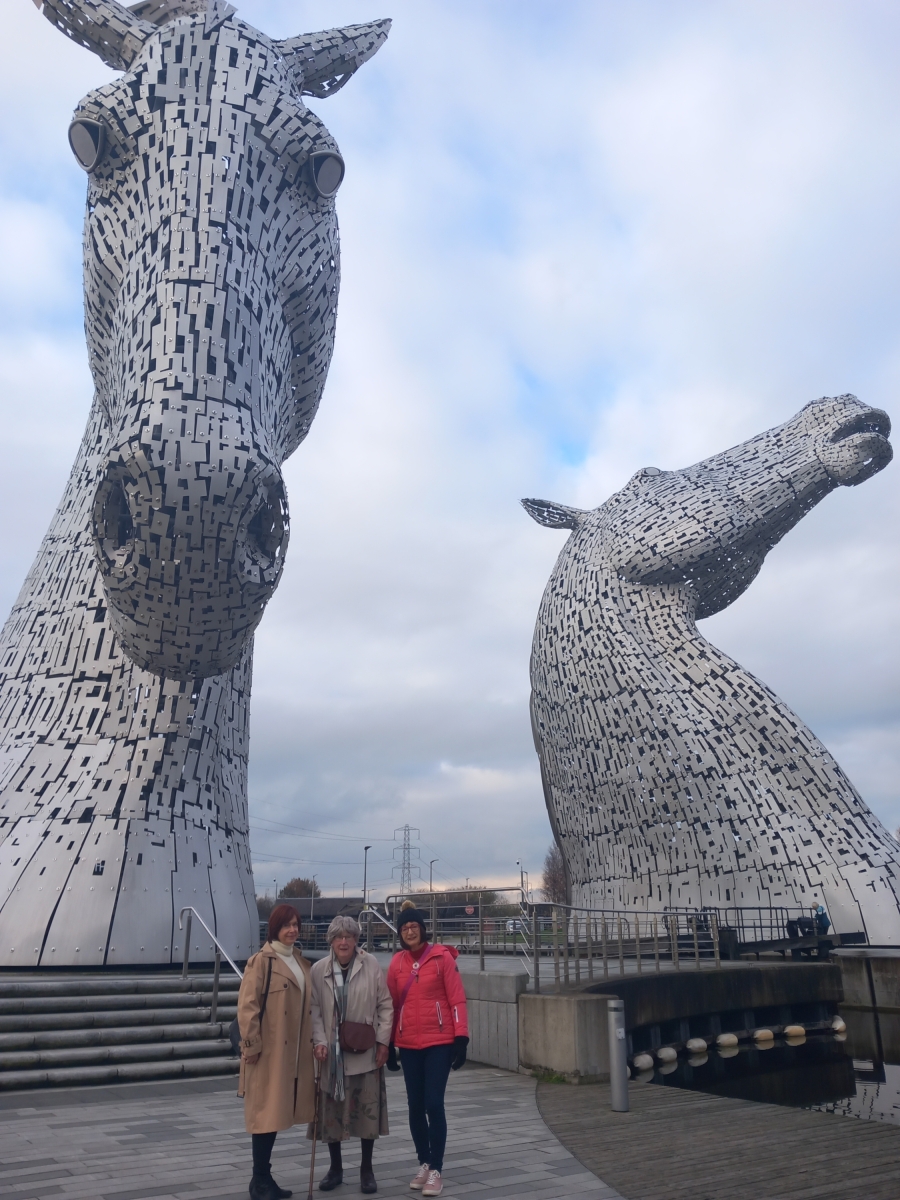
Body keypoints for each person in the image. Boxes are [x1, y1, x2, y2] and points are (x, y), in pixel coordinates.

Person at [386, 901, 468, 1198]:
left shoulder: (442, 958)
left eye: (414, 926)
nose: (410, 931)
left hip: (440, 1043)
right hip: (408, 1045)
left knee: (434, 1103)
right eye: (404, 928)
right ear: (400, 933)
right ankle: (424, 1159)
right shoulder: (396, 964)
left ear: (423, 929)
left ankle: (436, 1168)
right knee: (415, 1105)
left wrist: (462, 1038)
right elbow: (392, 1006)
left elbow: (457, 999)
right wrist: (388, 1045)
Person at [309, 915, 393, 1194]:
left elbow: (385, 1005)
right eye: (338, 936)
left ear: (356, 939)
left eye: (349, 936)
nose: (344, 941)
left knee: (365, 1113)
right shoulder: (318, 970)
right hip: (331, 1056)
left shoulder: (370, 965)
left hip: (364, 1050)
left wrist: (383, 1043)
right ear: (330, 940)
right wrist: (319, 1041)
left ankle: (366, 1169)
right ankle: (335, 1168)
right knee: (332, 1113)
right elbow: (315, 1010)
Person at [237, 904, 316, 1200]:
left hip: (293, 1055)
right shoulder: (261, 961)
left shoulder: (300, 961)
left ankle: (264, 1178)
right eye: (287, 925)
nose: (293, 930)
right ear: (274, 928)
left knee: (274, 1115)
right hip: (268, 1054)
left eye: (296, 924)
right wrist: (252, 1047)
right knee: (265, 1115)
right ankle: (259, 1181)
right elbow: (247, 1007)